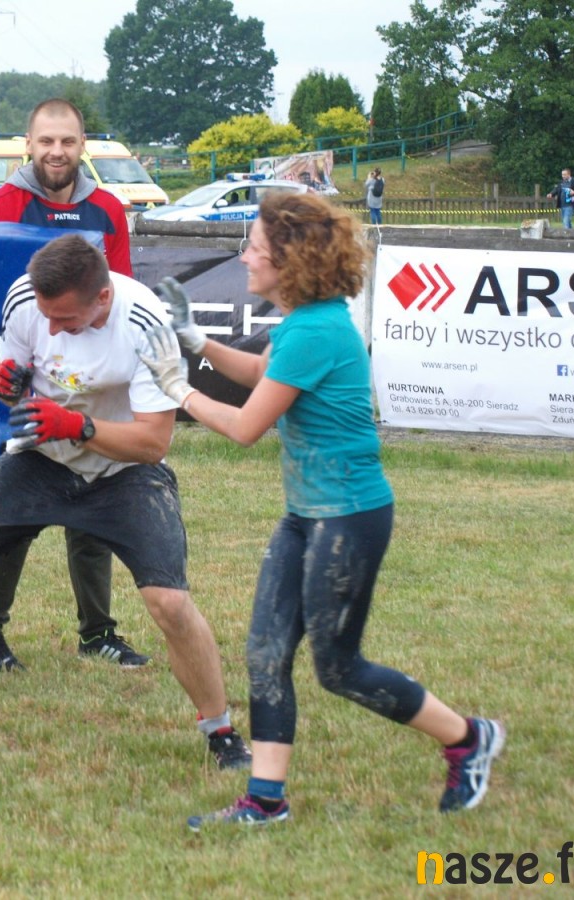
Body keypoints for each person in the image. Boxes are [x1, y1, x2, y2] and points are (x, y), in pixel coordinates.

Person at [139, 191, 504, 828]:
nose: (245, 257)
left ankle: (469, 737)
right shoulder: (307, 321)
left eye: (255, 247)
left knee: (339, 668)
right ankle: (266, 800)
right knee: (266, 651)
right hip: (309, 514)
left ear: (290, 260)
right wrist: (197, 340)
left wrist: (178, 390)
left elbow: (248, 426)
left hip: (348, 516)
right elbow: (264, 374)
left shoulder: (315, 329)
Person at [0, 234, 251, 772]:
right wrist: (6, 385)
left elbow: (153, 443)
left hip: (124, 473)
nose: (53, 329)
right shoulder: (25, 298)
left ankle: (220, 731)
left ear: (102, 298)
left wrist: (77, 425)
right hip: (42, 460)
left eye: (66, 319)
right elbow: (14, 383)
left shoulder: (145, 324)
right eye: (47, 317)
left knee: (170, 604)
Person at [0, 98, 142, 671]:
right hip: (23, 387)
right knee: (12, 515)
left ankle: (97, 632)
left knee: (93, 513)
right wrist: (3, 371)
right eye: (46, 141)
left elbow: (121, 300)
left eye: (67, 141)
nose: (57, 152)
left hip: (92, 388)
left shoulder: (108, 210)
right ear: (29, 144)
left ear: (82, 145)